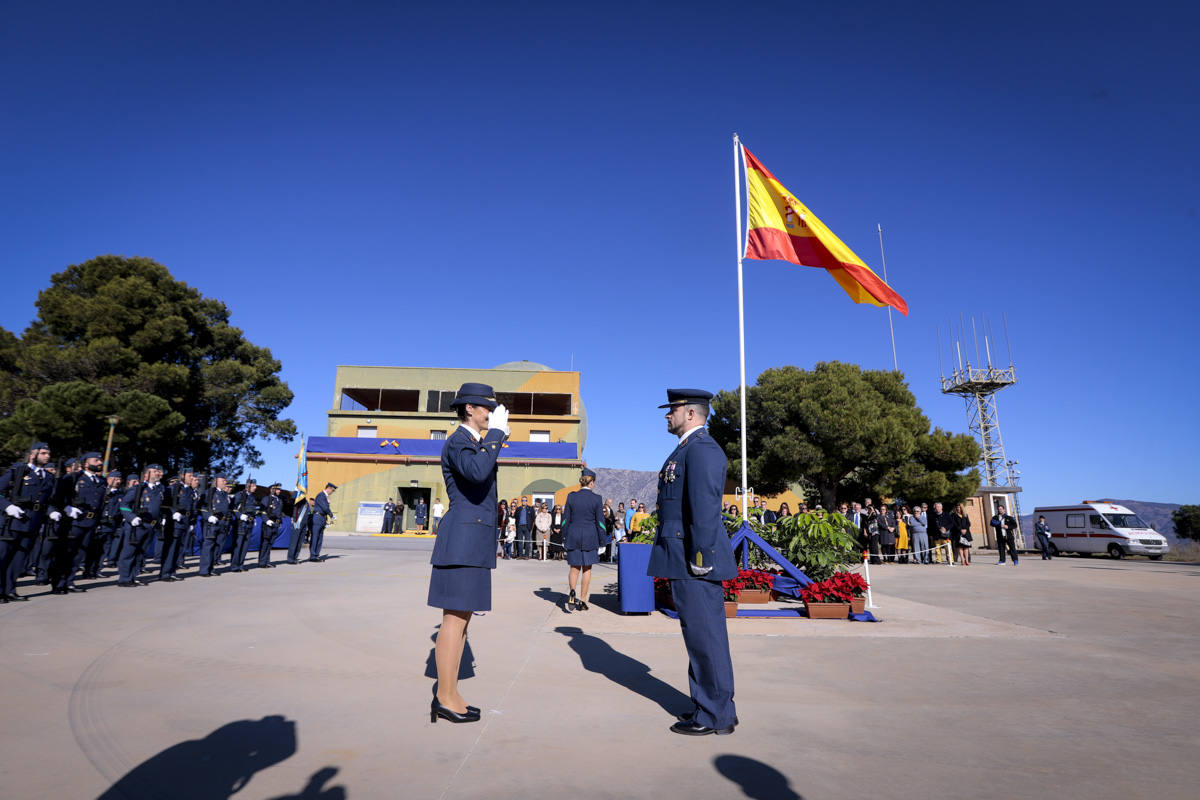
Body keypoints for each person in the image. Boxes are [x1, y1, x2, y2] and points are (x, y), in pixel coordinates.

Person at [648, 389, 737, 736]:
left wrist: (700, 557)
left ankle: (714, 715)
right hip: (683, 555)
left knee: (705, 637)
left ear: (689, 413)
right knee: (699, 636)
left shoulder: (701, 450)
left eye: (672, 410)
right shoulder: (687, 448)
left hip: (693, 558)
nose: (667, 416)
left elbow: (703, 508)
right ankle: (712, 706)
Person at [428, 383, 509, 724]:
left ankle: (452, 693)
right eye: (484, 406)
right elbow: (476, 473)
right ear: (468, 410)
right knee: (454, 620)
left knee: (463, 623)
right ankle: (444, 698)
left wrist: (493, 439)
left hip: (473, 541)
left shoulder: (475, 442)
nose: (490, 412)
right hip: (461, 541)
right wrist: (498, 436)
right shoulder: (459, 441)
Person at [48, 452, 106, 594]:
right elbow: (58, 498)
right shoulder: (72, 478)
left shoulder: (101, 481)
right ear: (86, 463)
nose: (100, 463)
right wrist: (67, 507)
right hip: (74, 522)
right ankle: (59, 584)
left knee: (79, 554)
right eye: (96, 460)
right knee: (65, 553)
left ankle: (70, 581)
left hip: (90, 522)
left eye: (100, 460)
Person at [562, 468, 605, 610]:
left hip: (573, 535)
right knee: (587, 569)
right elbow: (600, 522)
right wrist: (602, 541)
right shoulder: (597, 498)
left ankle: (572, 592)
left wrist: (564, 535)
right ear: (591, 482)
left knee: (574, 568)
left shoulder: (571, 497)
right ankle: (583, 600)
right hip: (590, 537)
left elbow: (565, 519)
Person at [118, 464, 166, 587]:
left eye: (158, 471)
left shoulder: (159, 490)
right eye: (154, 471)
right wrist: (131, 517)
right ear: (146, 474)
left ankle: (133, 576)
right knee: (129, 552)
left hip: (150, 526)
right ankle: (124, 578)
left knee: (140, 553)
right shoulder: (138, 488)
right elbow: (124, 504)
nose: (157, 473)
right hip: (137, 525)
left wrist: (162, 519)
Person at [198, 475, 231, 576]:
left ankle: (211, 568)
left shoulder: (225, 494)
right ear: (216, 481)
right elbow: (201, 506)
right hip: (212, 523)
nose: (225, 482)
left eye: (225, 480)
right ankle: (204, 570)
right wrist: (208, 516)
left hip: (222, 523)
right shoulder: (209, 492)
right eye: (223, 480)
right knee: (208, 546)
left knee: (217, 547)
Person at [258, 483, 283, 568]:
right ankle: (262, 562)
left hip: (275, 524)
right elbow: (262, 511)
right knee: (265, 543)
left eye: (279, 489)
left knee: (270, 544)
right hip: (268, 523)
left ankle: (267, 561)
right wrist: (266, 520)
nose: (279, 491)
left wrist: (280, 522)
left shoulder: (279, 500)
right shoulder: (266, 499)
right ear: (272, 490)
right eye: (277, 489)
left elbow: (279, 513)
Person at [310, 483, 336, 562]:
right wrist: (331, 515)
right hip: (317, 518)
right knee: (315, 537)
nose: (332, 492)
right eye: (332, 490)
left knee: (320, 538)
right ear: (328, 488)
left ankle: (316, 555)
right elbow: (324, 507)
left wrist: (326, 520)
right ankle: (313, 556)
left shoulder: (325, 496)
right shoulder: (321, 495)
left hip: (322, 518)